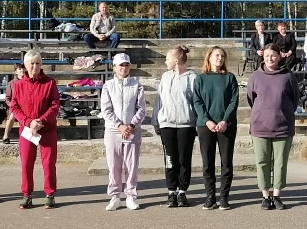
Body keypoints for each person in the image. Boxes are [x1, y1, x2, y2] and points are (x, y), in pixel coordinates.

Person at [246, 44, 298, 209]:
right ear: (263, 56)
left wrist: (281, 113)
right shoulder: (255, 76)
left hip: (283, 127)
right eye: (267, 55)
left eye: (273, 55)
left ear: (279, 56)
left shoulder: (288, 76)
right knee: (262, 162)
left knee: (280, 163)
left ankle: (277, 196)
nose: (270, 58)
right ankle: (265, 196)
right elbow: (251, 98)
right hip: (260, 127)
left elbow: (294, 99)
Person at [9, 50, 60, 209]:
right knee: (26, 163)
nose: (35, 66)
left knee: (49, 163)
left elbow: (55, 105)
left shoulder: (50, 83)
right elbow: (14, 107)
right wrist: (29, 122)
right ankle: (27, 195)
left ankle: (50, 194)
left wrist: (41, 121)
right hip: (27, 130)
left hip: (47, 129)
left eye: (37, 63)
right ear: (25, 65)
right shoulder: (18, 85)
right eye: (31, 63)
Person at [193, 46, 240, 210]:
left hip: (226, 125)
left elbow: (234, 101)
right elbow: (197, 101)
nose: (220, 58)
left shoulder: (230, 78)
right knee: (208, 162)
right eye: (216, 55)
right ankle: (210, 197)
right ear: (209, 58)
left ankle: (224, 197)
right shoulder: (200, 79)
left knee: (226, 162)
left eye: (222, 56)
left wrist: (225, 120)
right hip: (205, 126)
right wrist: (207, 121)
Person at [101, 53, 147, 210]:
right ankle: (115, 196)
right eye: (121, 65)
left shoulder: (136, 85)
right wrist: (119, 125)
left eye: (126, 65)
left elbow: (141, 109)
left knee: (131, 164)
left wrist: (131, 125)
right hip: (113, 130)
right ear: (114, 67)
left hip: (132, 130)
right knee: (114, 164)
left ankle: (131, 195)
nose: (124, 68)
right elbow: (106, 110)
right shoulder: (108, 85)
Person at [153, 45, 197, 208]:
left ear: (176, 60)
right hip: (167, 124)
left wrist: (197, 122)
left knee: (184, 159)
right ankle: (171, 191)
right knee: (170, 159)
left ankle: (182, 192)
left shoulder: (193, 77)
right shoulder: (165, 77)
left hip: (187, 124)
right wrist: (156, 121)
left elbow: (196, 101)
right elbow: (159, 100)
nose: (165, 62)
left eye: (167, 59)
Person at [1, 63, 27, 144]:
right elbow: (7, 98)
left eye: (23, 68)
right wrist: (12, 105)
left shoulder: (29, 81)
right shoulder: (12, 83)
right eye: (19, 69)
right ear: (16, 71)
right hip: (14, 106)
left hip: (26, 106)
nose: (22, 70)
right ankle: (6, 135)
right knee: (13, 114)